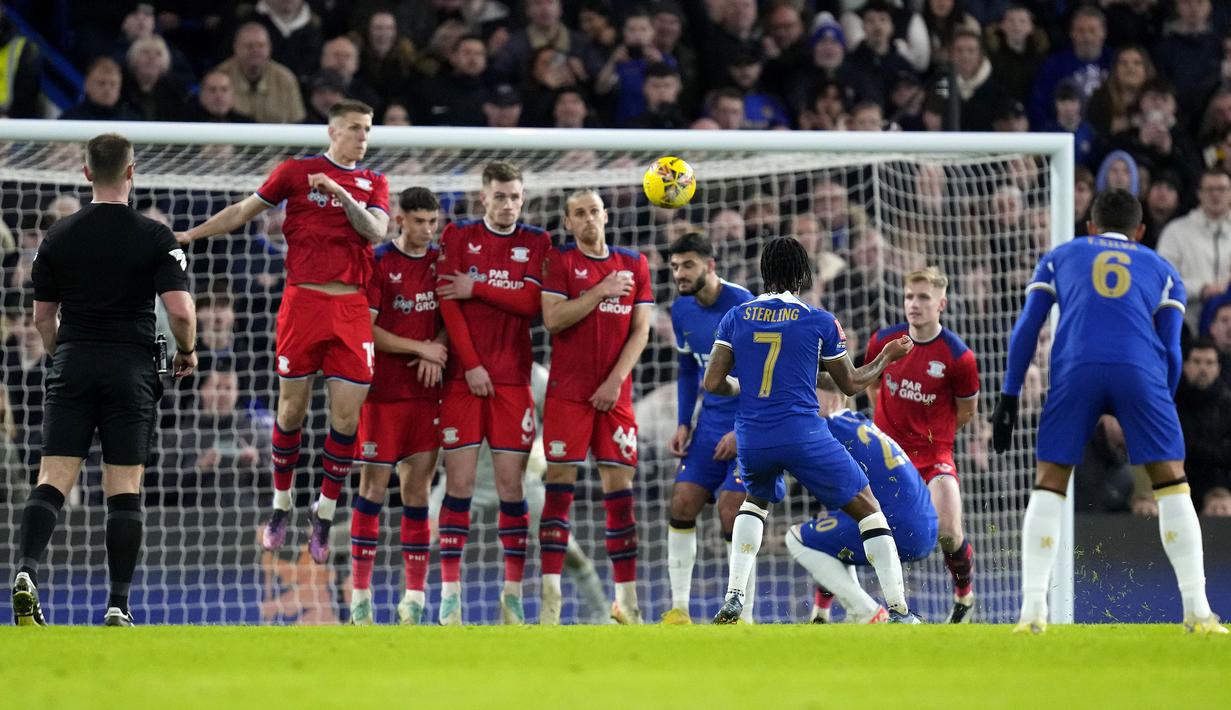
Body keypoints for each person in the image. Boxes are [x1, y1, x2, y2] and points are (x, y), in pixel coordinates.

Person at [992, 189, 1226, 635]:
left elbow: (1028, 328)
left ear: (1091, 227)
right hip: (1140, 371)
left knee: (1050, 482)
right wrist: (1163, 400)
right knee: (1172, 483)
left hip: (1075, 369)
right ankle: (1197, 610)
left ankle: (1032, 612)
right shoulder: (1162, 268)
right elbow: (1174, 350)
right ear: (1140, 232)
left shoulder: (1061, 255)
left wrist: (1008, 395)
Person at [176, 100, 389, 567]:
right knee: (290, 411)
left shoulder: (374, 183)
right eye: (354, 128)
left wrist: (339, 192)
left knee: (347, 420)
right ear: (333, 130)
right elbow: (243, 210)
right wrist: (190, 236)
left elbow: (375, 232)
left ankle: (325, 512)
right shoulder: (295, 171)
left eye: (367, 130)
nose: (362, 137)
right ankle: (280, 505)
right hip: (303, 302)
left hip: (351, 307)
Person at [11, 132, 197, 626]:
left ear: (87, 171)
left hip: (74, 362)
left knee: (51, 479)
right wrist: (188, 351)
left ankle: (26, 571)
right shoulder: (155, 236)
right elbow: (179, 312)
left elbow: (41, 318)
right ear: (132, 172)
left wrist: (60, 354)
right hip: (130, 369)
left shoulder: (59, 236)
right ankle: (117, 604)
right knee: (124, 488)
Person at [701, 237, 915, 624]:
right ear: (803, 275)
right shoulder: (818, 320)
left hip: (752, 436)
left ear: (765, 274)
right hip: (802, 434)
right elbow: (850, 384)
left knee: (755, 501)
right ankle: (899, 610)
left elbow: (713, 382)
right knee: (868, 507)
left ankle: (733, 596)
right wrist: (886, 357)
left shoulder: (736, 317)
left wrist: (743, 386)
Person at [431, 161, 551, 625]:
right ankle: (449, 595)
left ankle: (513, 593)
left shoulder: (535, 242)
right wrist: (473, 365)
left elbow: (530, 305)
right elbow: (448, 302)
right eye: (500, 196)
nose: (508, 205)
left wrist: (476, 286)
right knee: (457, 487)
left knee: (511, 488)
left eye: (515, 197)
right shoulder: (458, 236)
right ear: (483, 197)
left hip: (513, 382)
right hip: (464, 380)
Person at [536, 189, 653, 625]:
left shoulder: (635, 263)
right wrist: (601, 290)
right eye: (579, 214)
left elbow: (640, 332)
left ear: (606, 215)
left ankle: (628, 601)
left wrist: (615, 382)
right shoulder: (560, 262)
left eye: (594, 211)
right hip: (568, 393)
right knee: (559, 490)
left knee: (620, 494)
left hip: (614, 395)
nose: (588, 219)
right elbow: (554, 319)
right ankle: (551, 597)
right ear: (568, 223)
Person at [348, 187, 447, 626]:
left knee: (418, 493)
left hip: (427, 397)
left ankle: (413, 599)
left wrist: (438, 349)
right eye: (419, 221)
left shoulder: (442, 264)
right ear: (400, 219)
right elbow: (368, 330)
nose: (428, 230)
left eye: (433, 221)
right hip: (383, 395)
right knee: (371, 491)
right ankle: (360, 597)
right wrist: (423, 348)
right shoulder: (380, 262)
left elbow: (453, 324)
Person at [863, 267, 980, 623]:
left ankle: (964, 596)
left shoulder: (959, 357)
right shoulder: (885, 340)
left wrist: (933, 435)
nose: (914, 304)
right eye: (909, 296)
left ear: (941, 303)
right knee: (855, 521)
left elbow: (966, 411)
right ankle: (822, 611)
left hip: (933, 456)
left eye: (923, 297)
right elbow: (872, 384)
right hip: (886, 454)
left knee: (947, 532)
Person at [787, 374, 938, 624]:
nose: (808, 405)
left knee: (795, 538)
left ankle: (868, 611)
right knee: (838, 531)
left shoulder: (829, 430)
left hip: (898, 525)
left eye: (813, 397)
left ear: (834, 399)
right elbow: (833, 542)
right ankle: (841, 614)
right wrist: (821, 609)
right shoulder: (861, 424)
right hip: (927, 528)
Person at [661, 231, 754, 625]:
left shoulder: (744, 305)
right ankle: (680, 608)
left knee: (733, 510)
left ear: (710, 265)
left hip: (749, 421)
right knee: (682, 502)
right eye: (675, 266)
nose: (680, 273)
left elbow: (760, 376)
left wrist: (744, 431)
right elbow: (687, 370)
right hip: (710, 421)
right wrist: (684, 422)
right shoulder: (680, 310)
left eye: (688, 265)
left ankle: (743, 615)